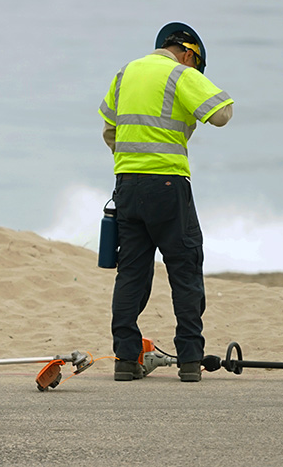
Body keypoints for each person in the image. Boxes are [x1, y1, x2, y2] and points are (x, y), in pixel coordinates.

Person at [98, 22, 233, 383]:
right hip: (168, 185)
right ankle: (190, 360)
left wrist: (132, 159)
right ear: (189, 54)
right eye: (195, 65)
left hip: (126, 184)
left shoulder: (124, 74)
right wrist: (195, 88)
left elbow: (109, 130)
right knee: (184, 265)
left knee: (132, 272)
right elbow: (221, 114)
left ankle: (125, 360)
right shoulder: (179, 74)